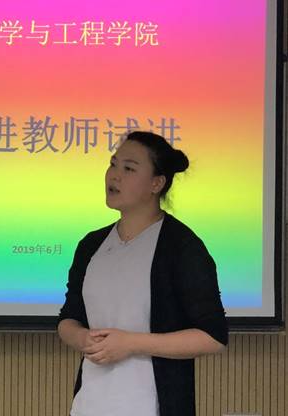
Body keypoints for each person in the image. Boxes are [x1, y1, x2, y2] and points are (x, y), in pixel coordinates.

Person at [57, 131, 228, 416]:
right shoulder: (91, 245)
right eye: (113, 164)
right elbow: (68, 318)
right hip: (89, 404)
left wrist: (131, 343)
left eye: (129, 168)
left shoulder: (182, 246)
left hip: (152, 405)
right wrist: (81, 337)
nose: (114, 175)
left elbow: (213, 336)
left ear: (156, 183)